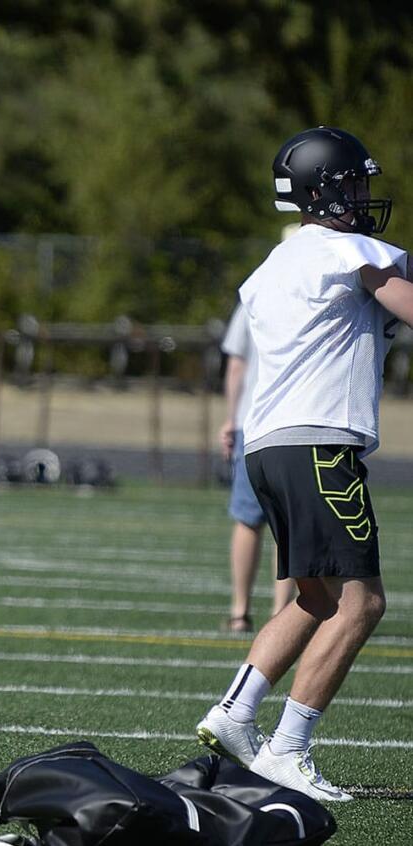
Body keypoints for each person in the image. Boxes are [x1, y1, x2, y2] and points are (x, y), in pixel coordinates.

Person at [195, 126, 411, 802]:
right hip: (320, 442)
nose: (366, 195)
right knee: (362, 603)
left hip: (269, 448)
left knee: (315, 597)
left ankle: (233, 713)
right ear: (330, 189)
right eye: (357, 183)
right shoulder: (354, 252)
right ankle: (288, 748)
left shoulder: (272, 266)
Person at [218, 270, 296, 634]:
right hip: (296, 424)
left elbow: (236, 364)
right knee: (287, 525)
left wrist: (230, 419)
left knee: (248, 519)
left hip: (253, 423)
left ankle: (239, 611)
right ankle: (281, 613)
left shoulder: (254, 295)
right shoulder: (325, 297)